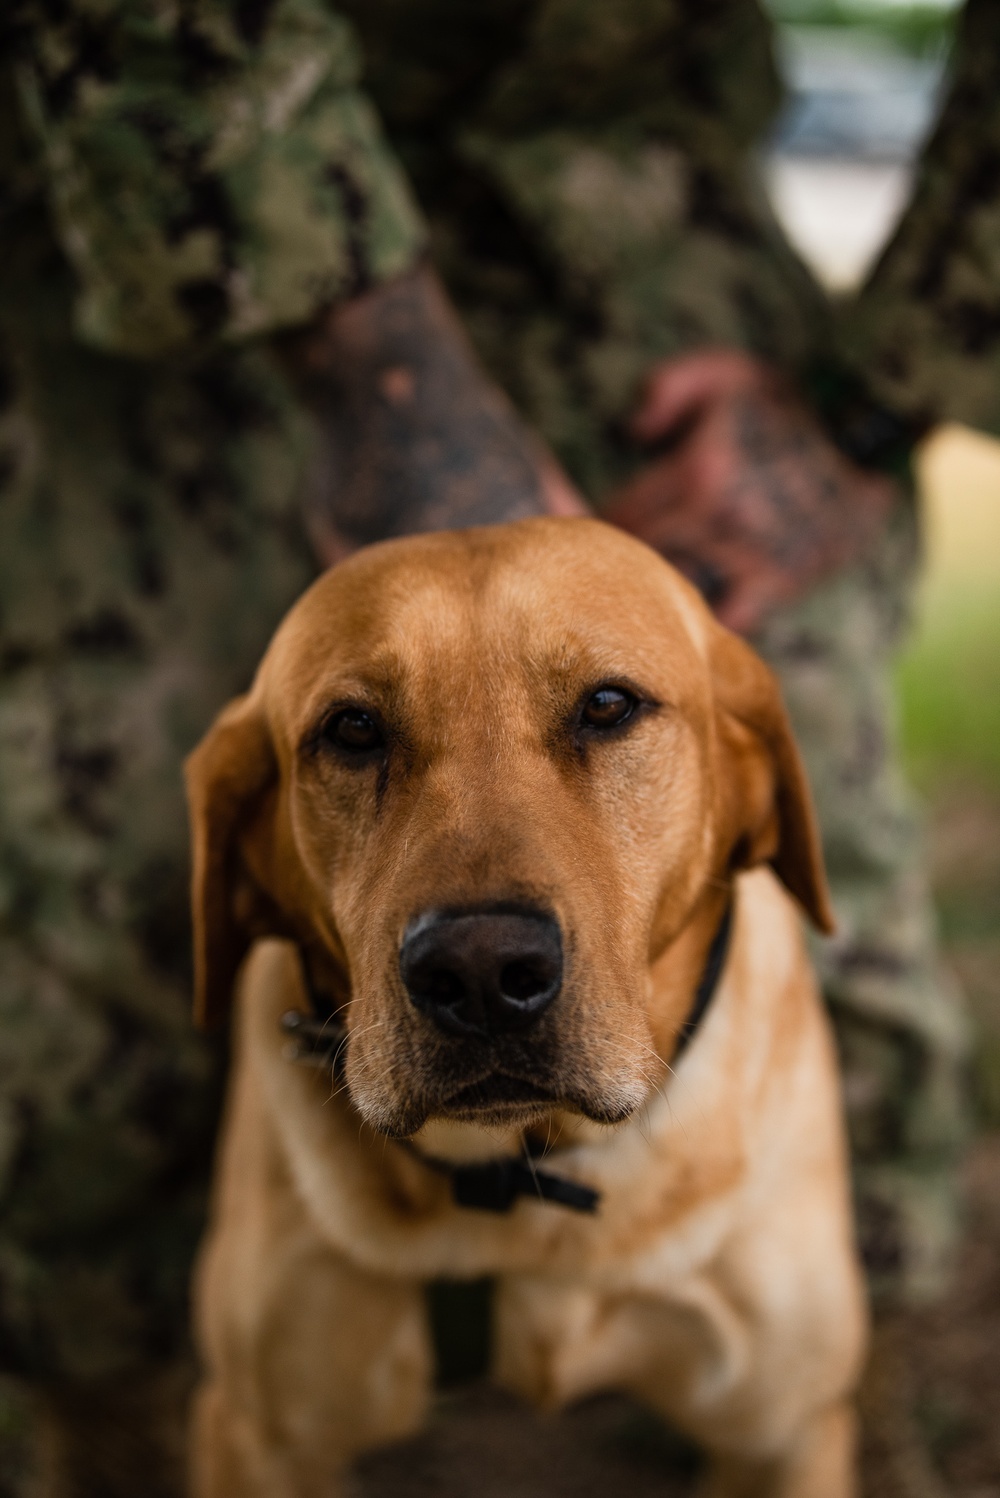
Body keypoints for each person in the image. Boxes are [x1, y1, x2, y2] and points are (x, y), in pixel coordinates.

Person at [1, 0, 996, 1492]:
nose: (478, 941)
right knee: (83, 1044)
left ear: (752, 794)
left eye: (608, 716)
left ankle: (846, 1369)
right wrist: (372, 358)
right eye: (354, 738)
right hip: (174, 227)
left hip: (644, 228)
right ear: (248, 852)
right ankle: (99, 1426)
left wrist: (873, 402)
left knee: (882, 1065)